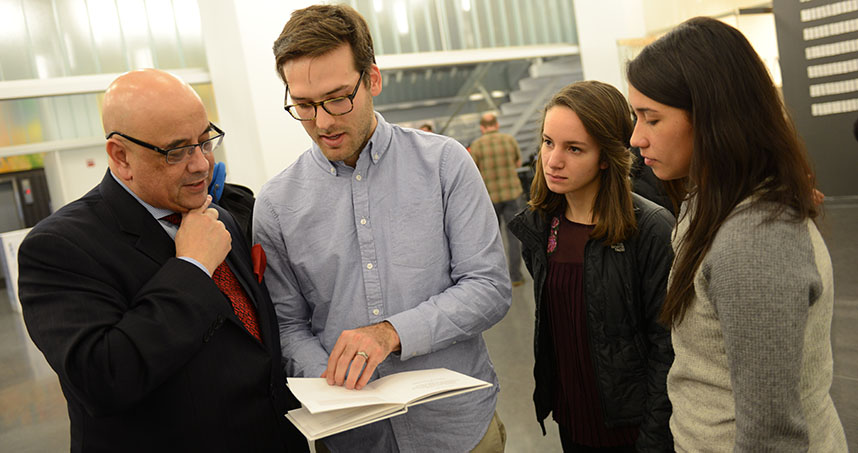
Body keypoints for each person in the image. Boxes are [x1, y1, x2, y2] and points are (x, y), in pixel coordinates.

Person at [259, 4, 511, 452]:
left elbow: (488, 287)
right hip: (355, 438)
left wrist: (390, 333)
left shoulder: (445, 164)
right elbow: (289, 326)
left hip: (457, 431)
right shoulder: (276, 206)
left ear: (372, 79)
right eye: (303, 105)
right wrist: (329, 381)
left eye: (338, 98)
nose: (322, 122)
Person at [17, 69, 308, 453]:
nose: (202, 164)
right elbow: (103, 379)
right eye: (177, 151)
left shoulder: (221, 212)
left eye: (205, 141)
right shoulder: (60, 246)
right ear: (121, 156)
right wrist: (192, 269)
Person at [627, 17, 848, 452]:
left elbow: (772, 436)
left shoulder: (753, 243)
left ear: (711, 117)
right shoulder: (709, 203)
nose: (636, 138)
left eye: (651, 119)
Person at [508, 81, 675, 452]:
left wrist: (653, 438)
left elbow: (667, 348)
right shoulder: (539, 226)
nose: (553, 160)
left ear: (606, 156)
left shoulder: (648, 228)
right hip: (572, 419)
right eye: (548, 142)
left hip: (633, 428)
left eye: (574, 149)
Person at [470, 112, 526, 286]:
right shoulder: (509, 140)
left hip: (490, 197)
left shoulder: (477, 146)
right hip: (512, 194)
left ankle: (496, 280)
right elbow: (518, 163)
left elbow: (474, 171)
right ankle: (516, 276)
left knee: (492, 238)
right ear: (497, 125)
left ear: (482, 127)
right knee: (513, 237)